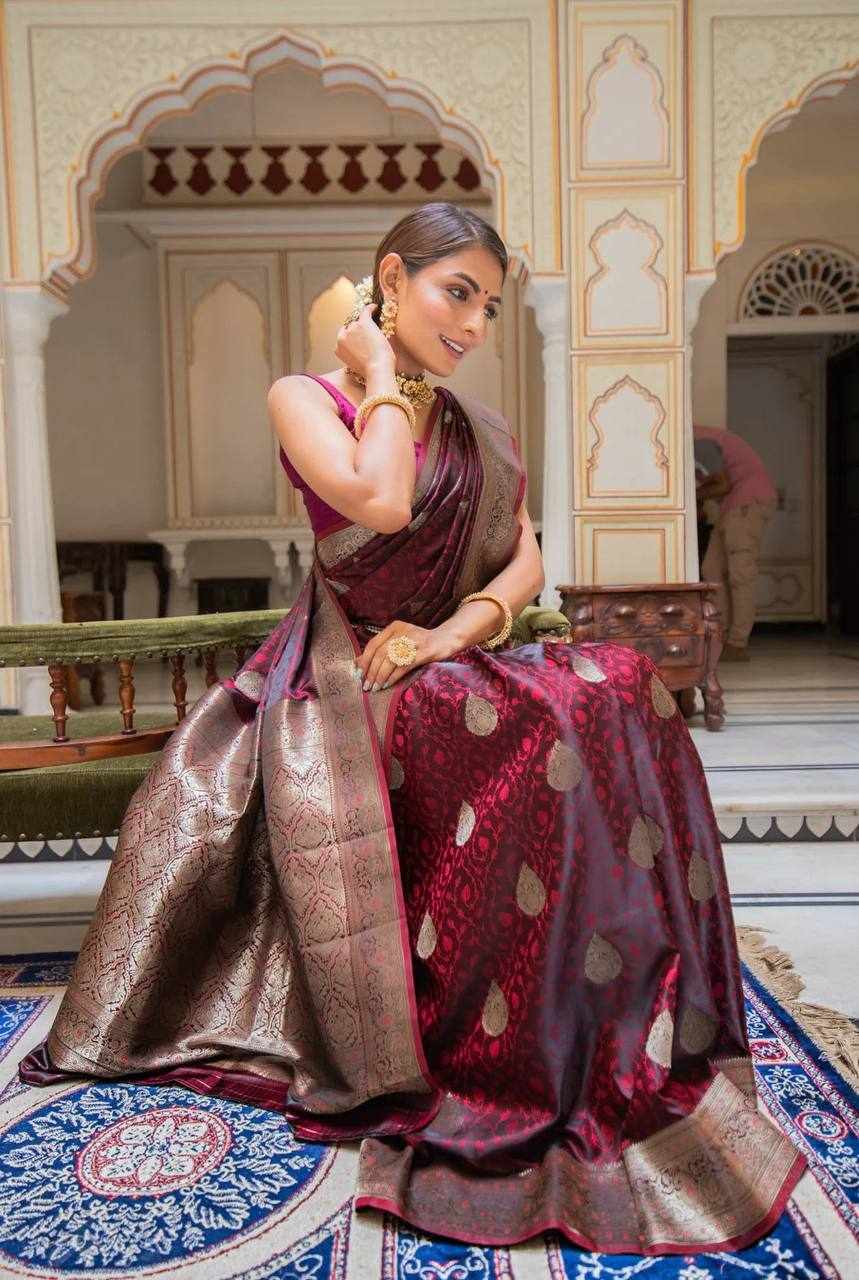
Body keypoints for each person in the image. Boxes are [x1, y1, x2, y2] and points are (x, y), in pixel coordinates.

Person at [19, 202, 805, 1253]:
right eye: (455, 294)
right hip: (347, 671)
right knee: (538, 719)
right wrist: (380, 374)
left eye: (489, 305)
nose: (474, 324)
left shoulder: (477, 426)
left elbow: (524, 559)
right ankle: (503, 1033)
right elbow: (382, 502)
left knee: (613, 680)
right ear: (390, 281)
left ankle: (599, 1009)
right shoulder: (305, 397)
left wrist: (450, 634)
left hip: (439, 650)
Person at [694, 425, 778, 662]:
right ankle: (721, 637)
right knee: (712, 570)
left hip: (746, 504)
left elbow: (722, 484)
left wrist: (691, 497)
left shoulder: (699, 442)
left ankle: (737, 643)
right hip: (733, 506)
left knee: (741, 575)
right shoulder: (699, 440)